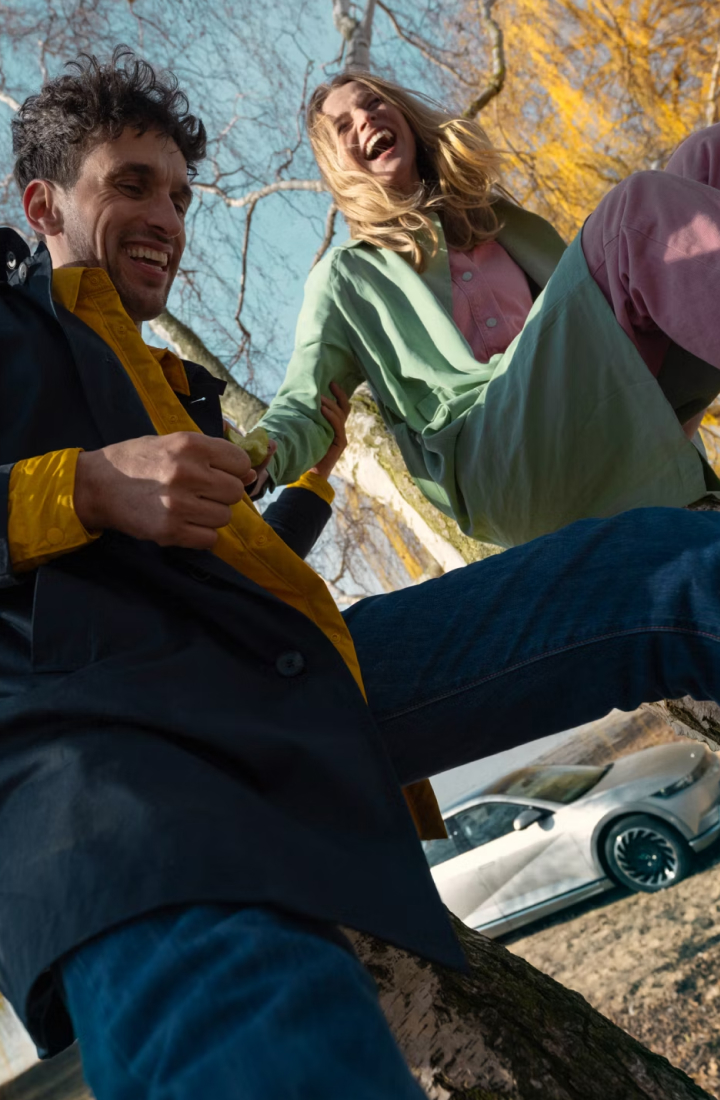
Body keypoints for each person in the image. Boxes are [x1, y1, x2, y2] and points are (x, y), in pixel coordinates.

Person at [6, 47, 720, 1100]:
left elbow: (217, 574)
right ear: (43, 204)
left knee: (659, 569)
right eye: (132, 185)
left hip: (286, 671)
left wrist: (305, 486)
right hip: (113, 762)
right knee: (265, 1018)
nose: (167, 218)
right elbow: (116, 523)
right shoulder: (14, 328)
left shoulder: (165, 382)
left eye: (181, 197)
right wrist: (86, 485)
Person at [259, 72, 720, 548]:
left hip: (607, 400)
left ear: (404, 115)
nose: (365, 117)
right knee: (633, 214)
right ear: (337, 165)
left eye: (373, 102)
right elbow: (302, 403)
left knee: (708, 154)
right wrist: (251, 459)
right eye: (343, 125)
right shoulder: (348, 277)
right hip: (501, 457)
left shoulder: (497, 221)